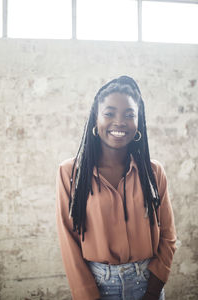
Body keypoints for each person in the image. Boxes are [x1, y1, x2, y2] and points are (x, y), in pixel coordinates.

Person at [56, 75, 177, 300]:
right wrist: (88, 295)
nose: (119, 122)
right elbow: (69, 242)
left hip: (148, 283)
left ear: (139, 121)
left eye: (129, 114)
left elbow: (168, 235)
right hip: (99, 286)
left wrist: (152, 291)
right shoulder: (71, 173)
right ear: (95, 118)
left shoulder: (153, 172)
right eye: (109, 113)